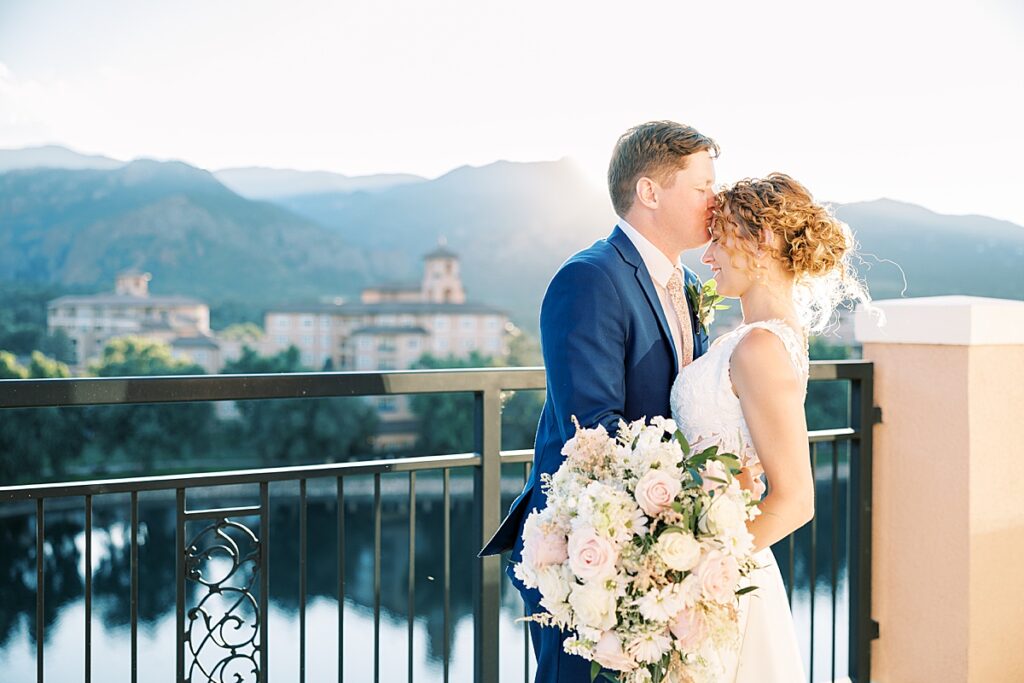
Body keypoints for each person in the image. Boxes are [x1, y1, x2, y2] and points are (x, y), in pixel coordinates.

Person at [479, 120, 718, 681]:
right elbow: (594, 434)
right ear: (650, 192)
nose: (716, 200)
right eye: (703, 187)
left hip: (656, 549)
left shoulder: (682, 285)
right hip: (585, 554)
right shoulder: (589, 279)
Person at [670, 172, 871, 680]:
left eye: (718, 238)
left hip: (721, 577)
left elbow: (796, 500)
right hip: (717, 548)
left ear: (760, 240)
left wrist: (698, 577)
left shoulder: (760, 347)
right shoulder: (753, 338)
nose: (707, 255)